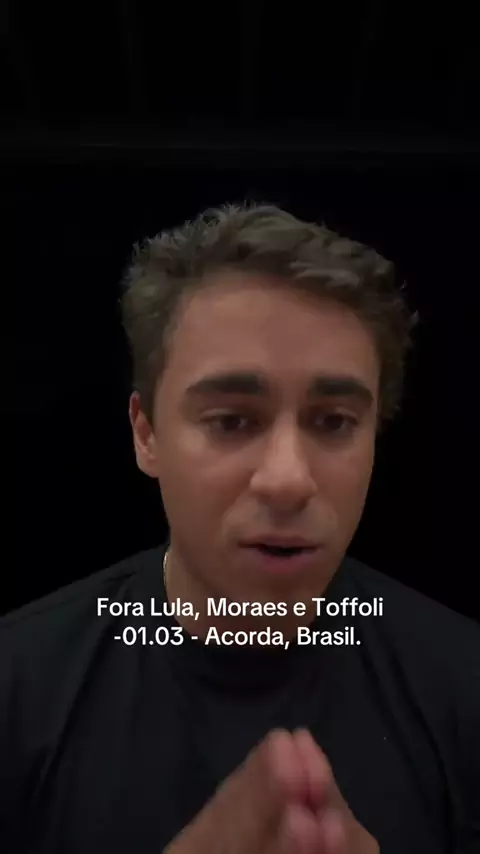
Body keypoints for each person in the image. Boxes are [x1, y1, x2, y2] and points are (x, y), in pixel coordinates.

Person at [2, 202, 479, 854]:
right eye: (232, 420)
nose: (287, 479)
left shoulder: (464, 689)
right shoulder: (17, 691)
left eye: (334, 422)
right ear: (146, 433)